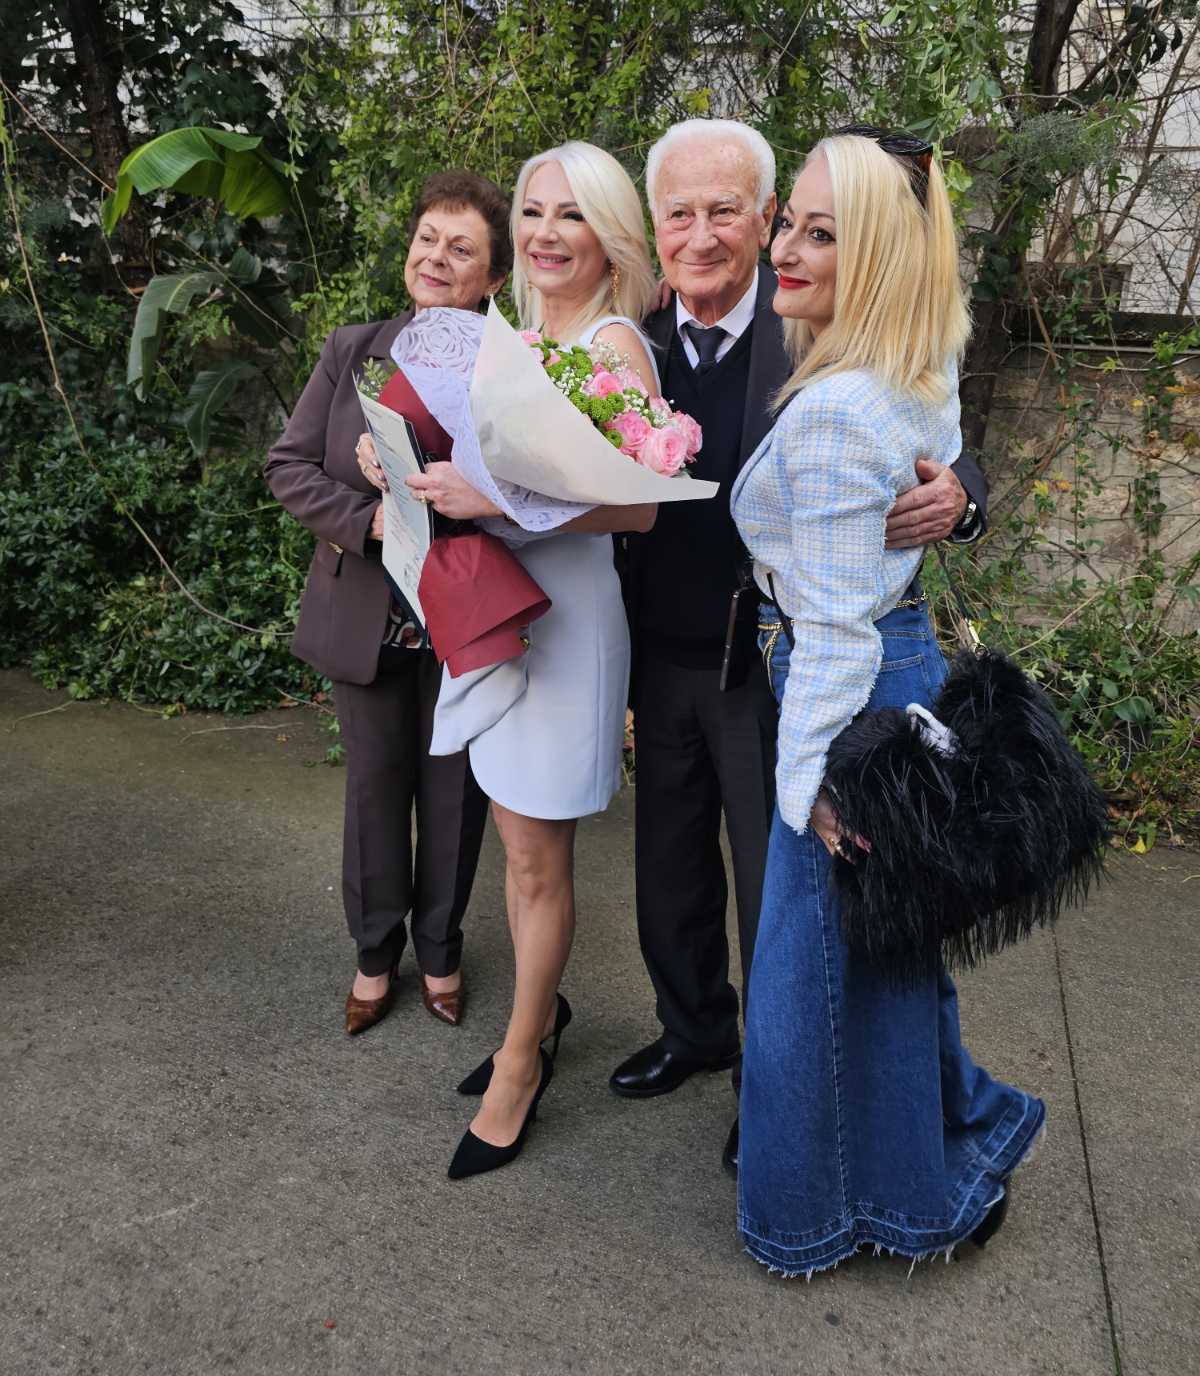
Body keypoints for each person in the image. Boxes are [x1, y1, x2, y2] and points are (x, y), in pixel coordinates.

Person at [612, 120, 988, 1158]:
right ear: (655, 225)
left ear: (766, 216)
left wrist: (963, 496)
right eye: (679, 214)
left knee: (780, 892)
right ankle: (693, 1029)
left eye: (725, 210)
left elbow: (929, 412)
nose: (701, 235)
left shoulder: (819, 312)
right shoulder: (625, 339)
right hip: (660, 642)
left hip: (775, 652)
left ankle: (772, 1089)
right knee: (668, 867)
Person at [730, 127, 1044, 1275]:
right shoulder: (915, 357)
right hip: (883, 670)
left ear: (876, 255)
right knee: (886, 949)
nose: (784, 246)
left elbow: (832, 631)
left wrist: (803, 778)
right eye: (790, 221)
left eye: (822, 231)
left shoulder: (839, 406)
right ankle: (948, 1142)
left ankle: (864, 1205)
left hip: (848, 686)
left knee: (813, 972)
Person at [358, 141, 662, 1180]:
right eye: (532, 211)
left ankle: (523, 1061)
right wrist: (392, 457)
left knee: (538, 859)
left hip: (567, 624)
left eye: (570, 215)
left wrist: (491, 499)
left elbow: (639, 507)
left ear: (609, 236)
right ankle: (540, 1014)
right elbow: (465, 458)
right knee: (515, 843)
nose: (544, 233)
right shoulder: (520, 335)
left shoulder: (614, 344)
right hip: (499, 614)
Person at [264, 171, 508, 1035]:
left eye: (462, 248)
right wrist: (368, 522)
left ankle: (440, 950)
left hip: (462, 614)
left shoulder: (513, 368)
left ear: (493, 277)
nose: (436, 258)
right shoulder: (354, 349)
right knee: (373, 791)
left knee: (454, 795)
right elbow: (288, 465)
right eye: (427, 239)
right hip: (366, 612)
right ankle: (375, 954)